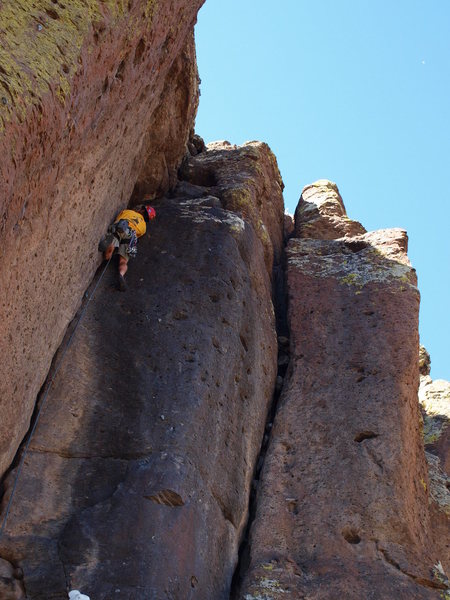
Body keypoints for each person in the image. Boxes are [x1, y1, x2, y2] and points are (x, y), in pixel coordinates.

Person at [99, 204, 156, 290]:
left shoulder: (128, 211)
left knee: (117, 233)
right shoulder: (144, 228)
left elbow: (118, 218)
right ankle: (121, 274)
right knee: (124, 261)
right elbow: (138, 235)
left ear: (142, 210)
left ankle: (111, 248)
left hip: (122, 226)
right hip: (131, 236)